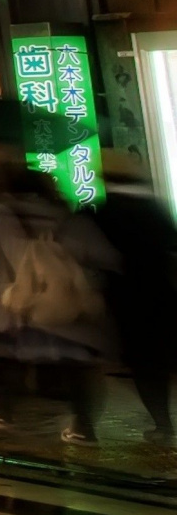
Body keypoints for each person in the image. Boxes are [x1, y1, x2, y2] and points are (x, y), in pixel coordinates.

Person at [0, 161, 114, 440]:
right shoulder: (69, 219)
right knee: (76, 366)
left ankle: (2, 411)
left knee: (7, 359)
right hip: (66, 312)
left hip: (20, 310)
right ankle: (83, 426)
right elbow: (105, 259)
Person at [92, 153, 177, 441]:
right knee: (161, 360)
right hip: (162, 293)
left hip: (125, 299)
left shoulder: (102, 212)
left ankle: (162, 422)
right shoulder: (155, 209)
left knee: (143, 363)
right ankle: (163, 420)